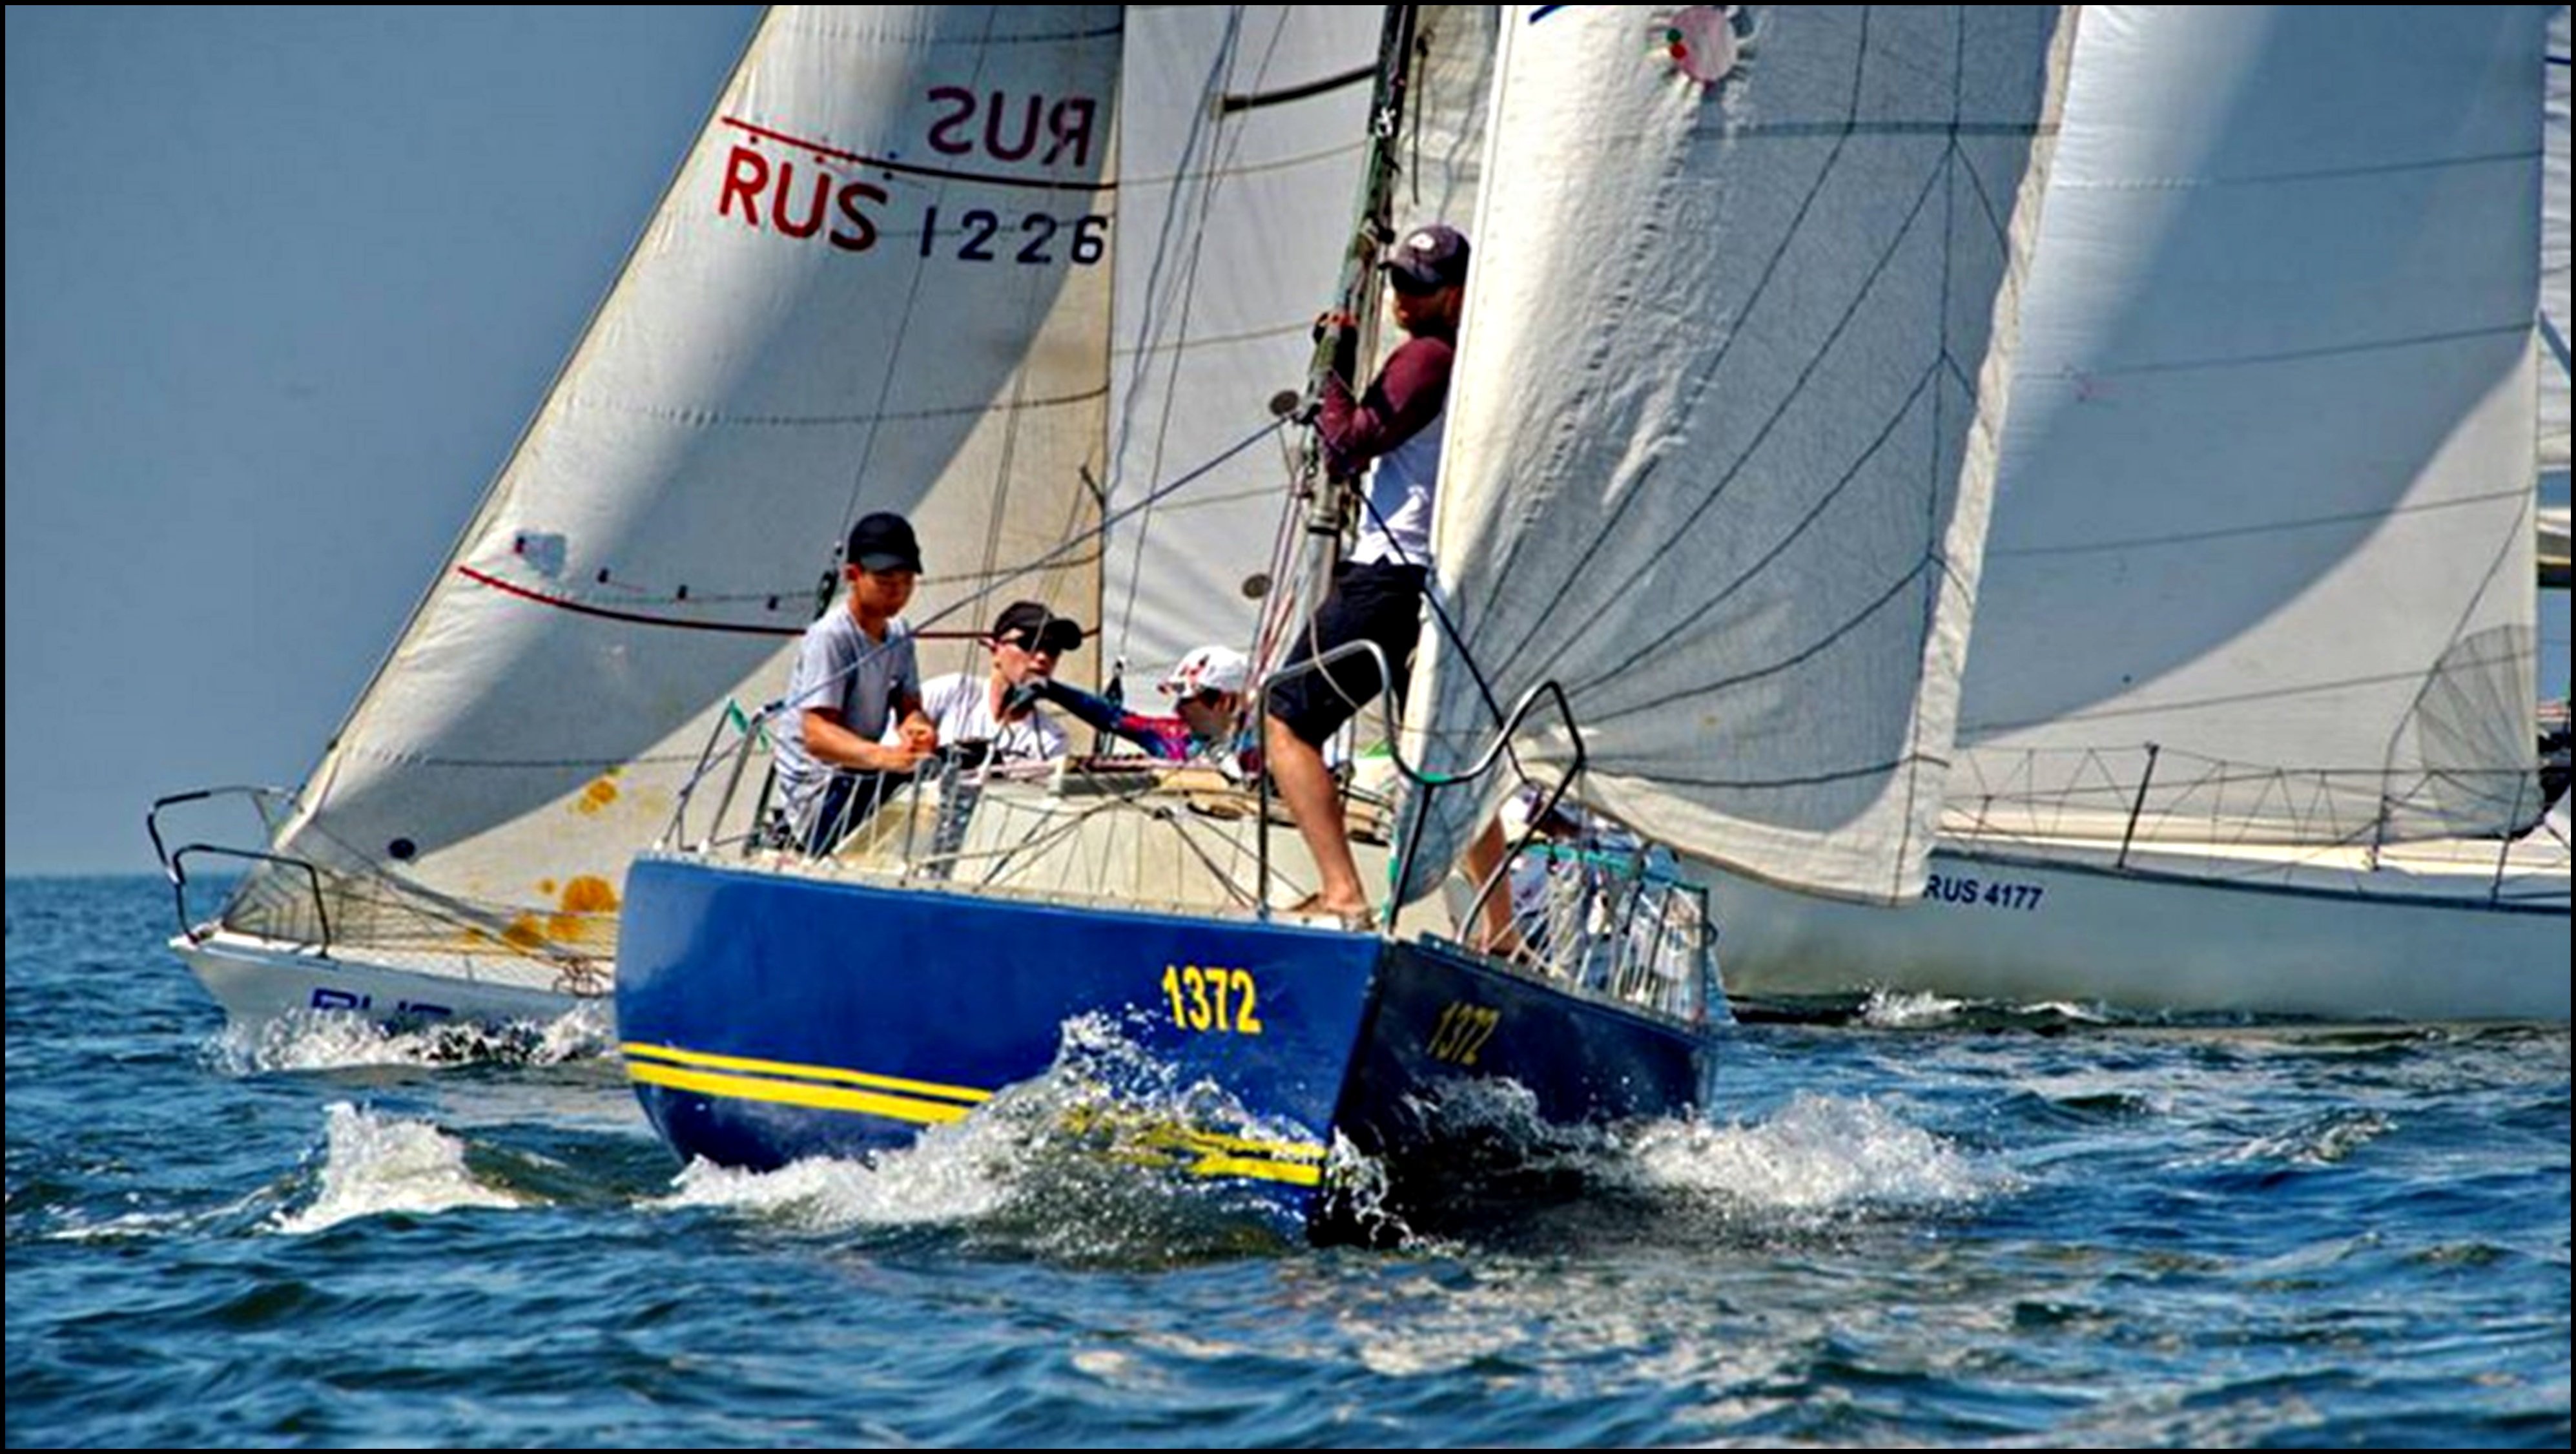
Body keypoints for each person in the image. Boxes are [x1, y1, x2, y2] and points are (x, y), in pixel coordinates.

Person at [1265, 222, 1514, 938]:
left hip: (1388, 577)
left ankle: (1341, 892)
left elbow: (1346, 447)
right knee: (1440, 760)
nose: (1403, 297)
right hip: (1434, 582)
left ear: (1456, 295)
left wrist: (1332, 367)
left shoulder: (1427, 357)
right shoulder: (1476, 359)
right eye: (1399, 281)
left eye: (1420, 287)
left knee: (1285, 718)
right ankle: (1502, 929)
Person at [771, 511, 938, 854]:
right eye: (886, 580)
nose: (899, 591)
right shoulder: (831, 637)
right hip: (820, 795)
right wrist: (884, 757)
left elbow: (909, 707)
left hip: (861, 775)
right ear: (853, 575)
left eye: (907, 579)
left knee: (943, 783)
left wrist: (918, 729)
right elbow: (817, 735)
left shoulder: (900, 634)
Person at [1020, 643, 1257, 773]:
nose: (1177, 710)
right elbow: (1112, 717)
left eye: (1187, 700)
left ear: (1226, 701)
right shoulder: (1172, 737)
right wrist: (1050, 688)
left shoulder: (1264, 749)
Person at [907, 600, 1084, 767]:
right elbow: (896, 750)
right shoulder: (952, 693)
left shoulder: (1052, 740)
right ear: (995, 649)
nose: (1042, 657)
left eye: (1053, 649)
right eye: (1028, 643)